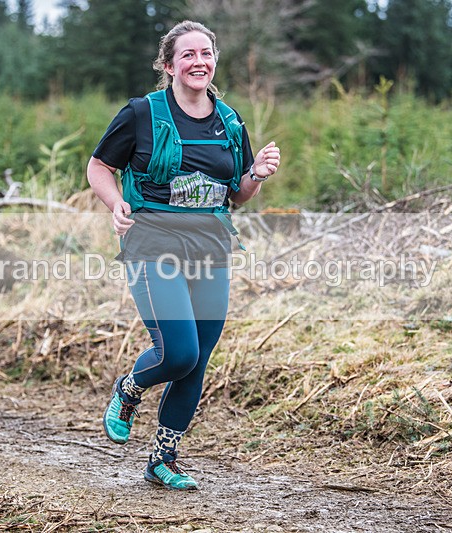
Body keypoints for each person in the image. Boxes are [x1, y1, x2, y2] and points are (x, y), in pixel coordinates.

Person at [87, 20, 281, 490]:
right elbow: (99, 166)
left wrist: (256, 173)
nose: (199, 61)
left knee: (200, 358)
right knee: (178, 352)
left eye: (207, 53)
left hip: (210, 247)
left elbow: (237, 195)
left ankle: (163, 459)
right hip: (152, 241)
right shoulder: (141, 113)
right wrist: (117, 204)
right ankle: (129, 390)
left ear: (215, 61)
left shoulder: (230, 121)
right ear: (169, 64)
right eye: (188, 54)